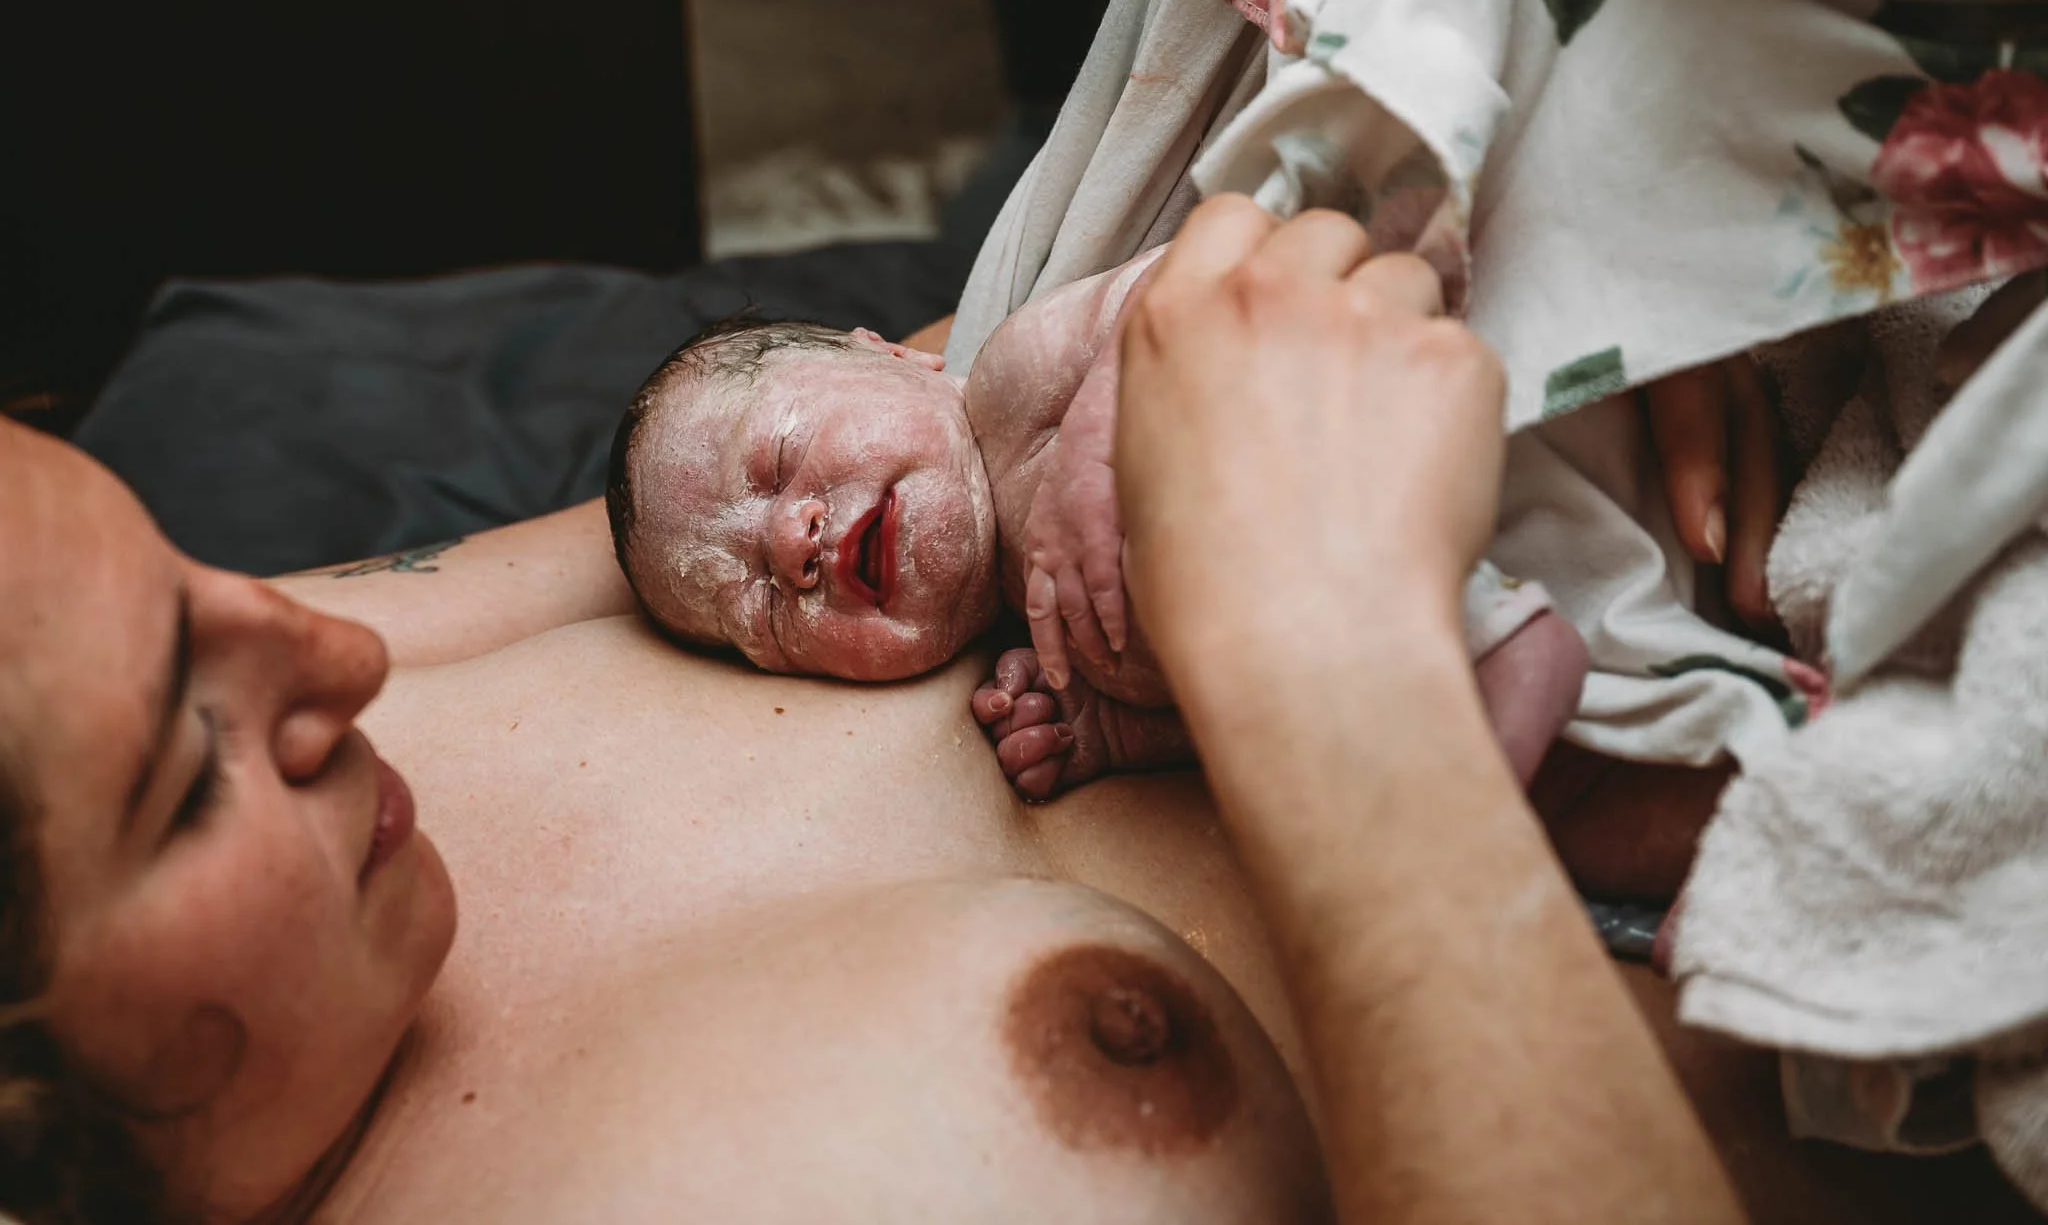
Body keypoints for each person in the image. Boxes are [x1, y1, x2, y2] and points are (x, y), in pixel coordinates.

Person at [3, 202, 2033, 1225]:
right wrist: (1332, 675)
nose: (333, 661)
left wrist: (1577, 269)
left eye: (207, 587)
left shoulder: (270, 655)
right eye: (183, 773)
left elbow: (902, 396)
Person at [606, 245, 1586, 798]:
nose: (790, 545)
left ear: (894, 356)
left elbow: (1198, 274)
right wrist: (1112, 733)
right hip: (1359, 657)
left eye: (778, 457)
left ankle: (1496, 641)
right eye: (765, 611)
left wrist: (1101, 430)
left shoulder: (1014, 380)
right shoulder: (1043, 649)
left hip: (1366, 467)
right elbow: (1217, 703)